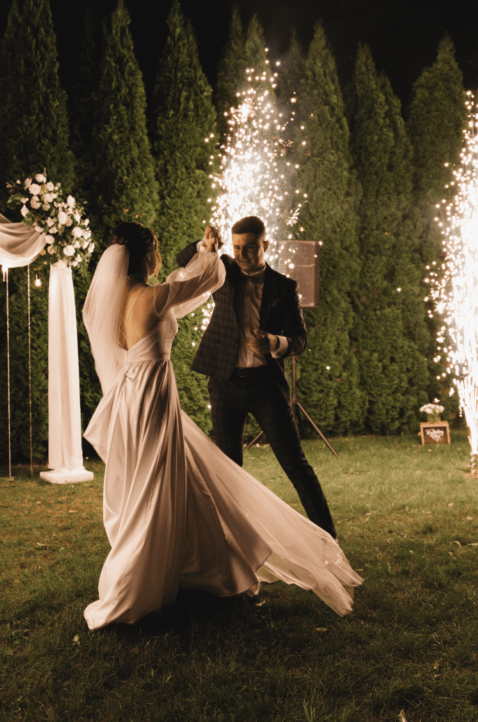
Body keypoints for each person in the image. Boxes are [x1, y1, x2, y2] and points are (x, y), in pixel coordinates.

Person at [81, 221, 360, 630]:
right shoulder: (156, 298)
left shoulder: (117, 299)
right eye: (155, 247)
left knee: (177, 482)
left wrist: (273, 341)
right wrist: (209, 251)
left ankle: (208, 564)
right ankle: (144, 576)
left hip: (131, 400)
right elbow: (206, 277)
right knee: (161, 485)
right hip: (155, 399)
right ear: (144, 256)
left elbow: (181, 281)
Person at [176, 216, 338, 538]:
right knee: (226, 470)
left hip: (266, 385)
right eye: (236, 248)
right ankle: (231, 548)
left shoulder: (285, 287)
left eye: (249, 248)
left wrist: (276, 342)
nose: (241, 255)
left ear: (265, 245)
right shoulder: (222, 271)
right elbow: (184, 261)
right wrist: (204, 245)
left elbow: (300, 339)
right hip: (225, 383)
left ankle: (329, 539)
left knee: (295, 464)